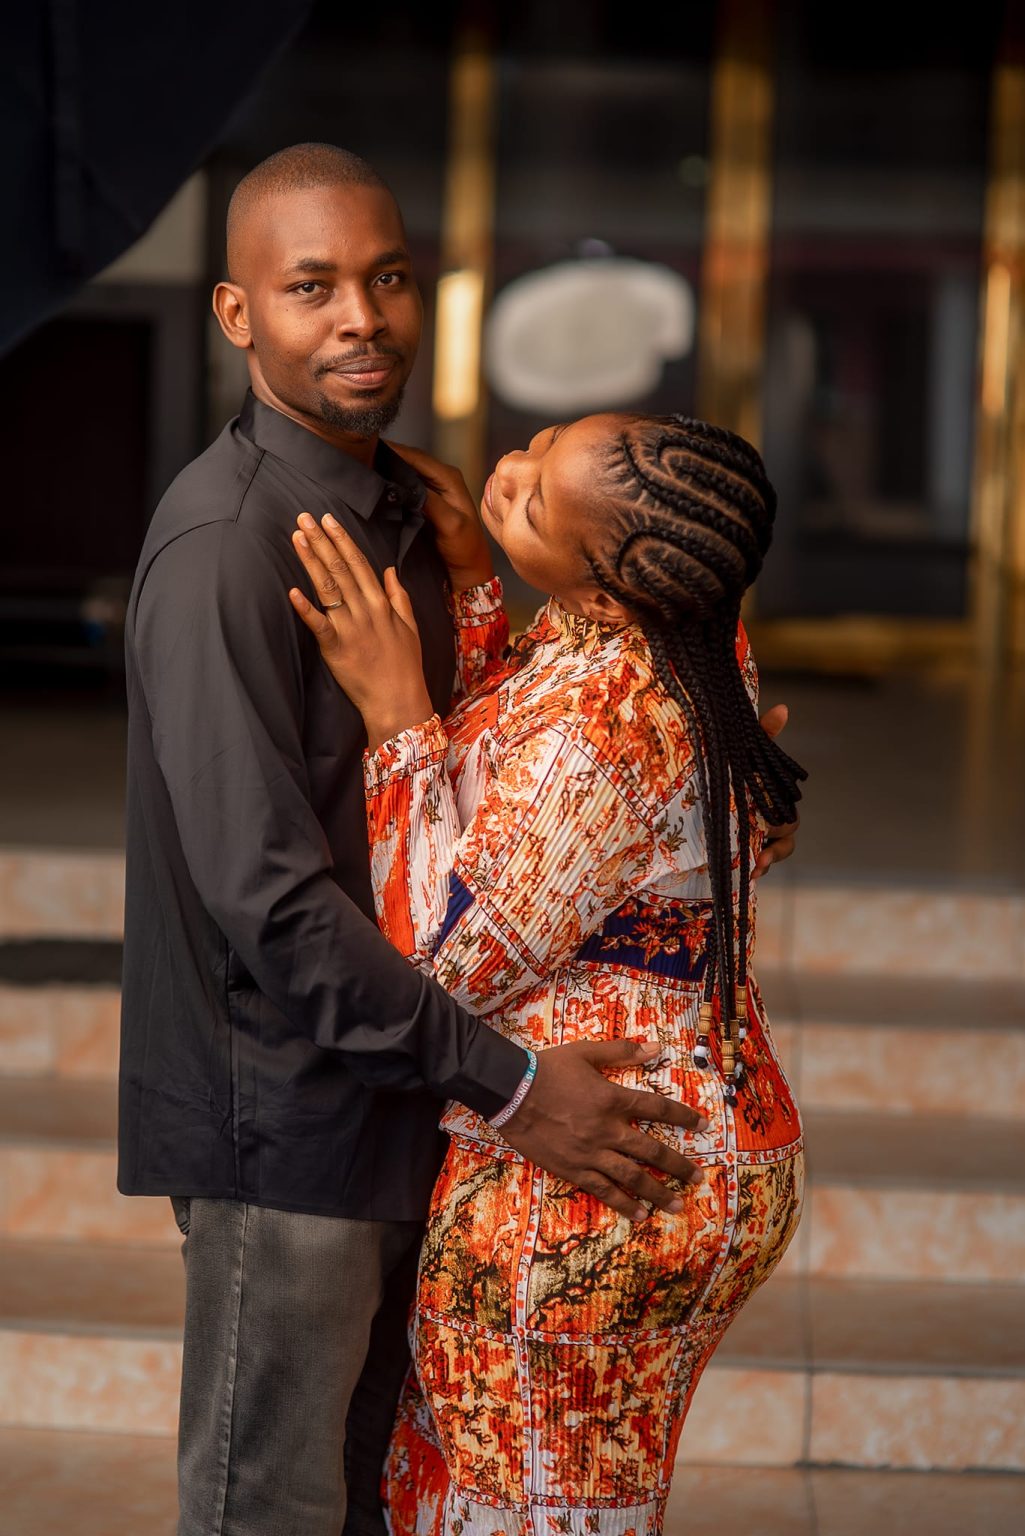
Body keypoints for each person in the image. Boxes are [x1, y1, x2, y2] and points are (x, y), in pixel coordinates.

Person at [117, 143, 795, 1536]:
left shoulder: (418, 520)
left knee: (384, 1504)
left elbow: (518, 775)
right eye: (310, 287)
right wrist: (510, 1084)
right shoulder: (226, 548)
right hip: (298, 1126)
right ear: (237, 313)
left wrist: (687, 827)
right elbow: (273, 904)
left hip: (423, 1109)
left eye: (387, 279)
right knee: (270, 1510)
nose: (360, 319)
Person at [289, 410, 807, 1534]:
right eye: (543, 442)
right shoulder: (684, 629)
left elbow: (436, 968)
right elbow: (517, 768)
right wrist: (479, 580)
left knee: (520, 1510)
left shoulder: (603, 725)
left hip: (594, 1170)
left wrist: (395, 715)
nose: (508, 468)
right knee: (538, 1500)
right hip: (684, 1133)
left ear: (614, 595)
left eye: (530, 500)